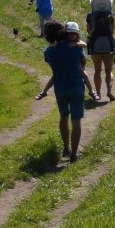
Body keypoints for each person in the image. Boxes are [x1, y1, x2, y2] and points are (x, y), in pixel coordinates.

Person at [35, 21, 90, 161]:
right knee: (76, 121)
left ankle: (66, 147)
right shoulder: (74, 47)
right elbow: (82, 56)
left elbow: (55, 69)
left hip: (60, 89)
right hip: (76, 87)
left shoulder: (47, 53)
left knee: (63, 117)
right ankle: (74, 154)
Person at [85, 0, 115, 101]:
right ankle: (109, 91)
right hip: (108, 44)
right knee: (109, 70)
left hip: (95, 45)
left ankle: (98, 93)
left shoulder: (90, 16)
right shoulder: (110, 15)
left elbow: (90, 32)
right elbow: (112, 30)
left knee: (97, 71)